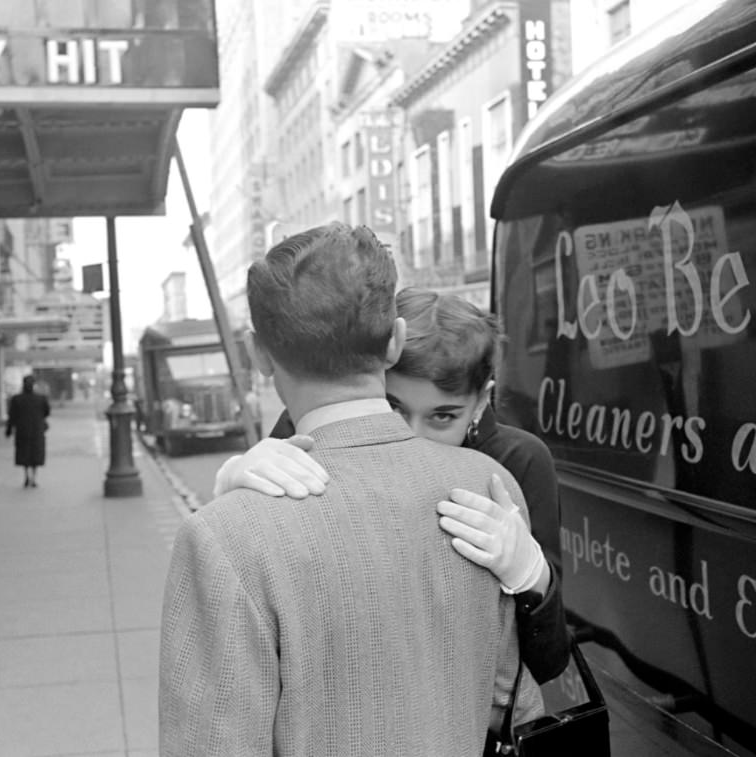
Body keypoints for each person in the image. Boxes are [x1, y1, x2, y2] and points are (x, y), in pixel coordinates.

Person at [159, 224, 542, 755]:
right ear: (395, 341)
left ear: (259, 355)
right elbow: (513, 699)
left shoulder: (224, 539)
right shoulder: (488, 487)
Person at [216, 288, 570, 686]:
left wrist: (531, 577)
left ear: (481, 402)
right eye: (394, 407)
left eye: (442, 417)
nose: (412, 435)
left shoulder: (517, 460)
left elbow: (549, 661)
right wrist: (236, 483)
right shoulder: (312, 433)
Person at [6, 375, 50, 488]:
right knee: (35, 454)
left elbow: (12, 416)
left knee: (24, 454)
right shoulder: (41, 399)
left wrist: (9, 429)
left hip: (22, 431)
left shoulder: (17, 399)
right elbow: (47, 412)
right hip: (36, 430)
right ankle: (33, 478)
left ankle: (26, 476)